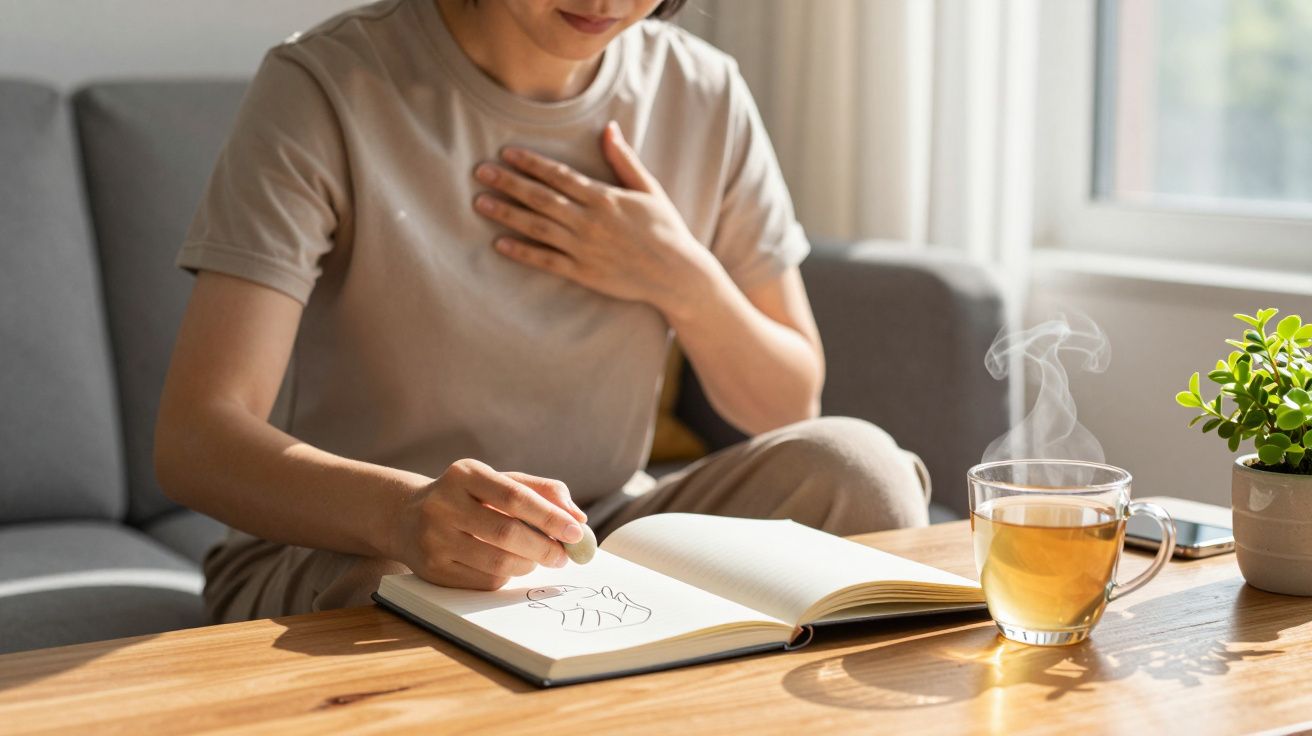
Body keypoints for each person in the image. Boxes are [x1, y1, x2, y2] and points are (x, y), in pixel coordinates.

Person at [155, 0, 930, 625]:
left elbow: (788, 405)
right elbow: (197, 439)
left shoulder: (703, 91)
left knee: (860, 471)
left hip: (596, 532)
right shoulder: (324, 86)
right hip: (354, 547)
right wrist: (402, 515)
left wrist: (680, 277)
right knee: (422, 589)